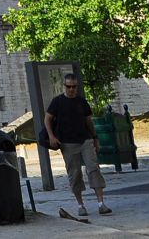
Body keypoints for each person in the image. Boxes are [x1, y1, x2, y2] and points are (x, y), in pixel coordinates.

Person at [46, 72, 110, 217]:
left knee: (93, 168)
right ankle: (81, 205)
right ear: (64, 86)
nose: (71, 89)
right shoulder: (57, 102)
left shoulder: (82, 102)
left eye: (74, 87)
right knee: (74, 174)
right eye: (68, 86)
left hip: (85, 140)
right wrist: (51, 136)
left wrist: (95, 138)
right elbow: (47, 118)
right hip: (67, 143)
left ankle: (101, 203)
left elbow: (89, 121)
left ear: (77, 86)